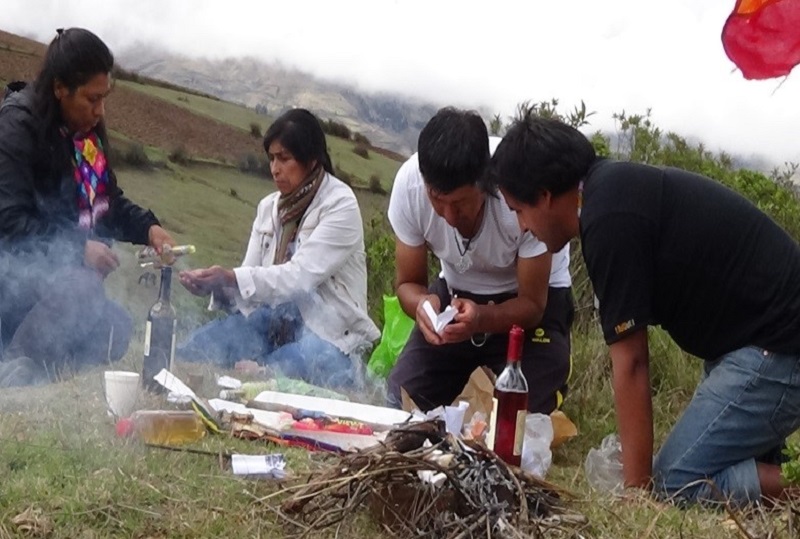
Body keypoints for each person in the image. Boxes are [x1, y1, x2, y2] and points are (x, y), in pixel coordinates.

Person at [488, 112, 800, 506]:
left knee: (676, 483)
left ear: (546, 196)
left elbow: (632, 361)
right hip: (756, 343)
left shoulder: (607, 220)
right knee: (701, 466)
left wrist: (637, 494)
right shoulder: (609, 192)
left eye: (519, 210)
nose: (522, 227)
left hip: (778, 349)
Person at [0, 28, 175, 387]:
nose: (100, 111)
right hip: (14, 280)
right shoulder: (16, 128)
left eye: (104, 98)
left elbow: (106, 204)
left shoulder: (84, 138)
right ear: (60, 88)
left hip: (58, 285)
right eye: (92, 99)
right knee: (82, 291)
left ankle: (44, 365)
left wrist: (147, 228)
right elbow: (9, 221)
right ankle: (15, 370)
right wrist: (78, 250)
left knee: (116, 327)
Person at [386, 107, 574, 414]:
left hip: (530, 305)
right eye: (436, 199)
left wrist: (480, 320)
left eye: (459, 203)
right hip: (456, 297)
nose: (448, 217)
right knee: (400, 402)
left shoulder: (519, 189)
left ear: (486, 183)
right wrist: (423, 305)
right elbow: (408, 283)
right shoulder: (409, 186)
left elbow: (532, 305)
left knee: (515, 418)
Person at [177, 108, 380, 388]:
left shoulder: (340, 204)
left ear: (311, 159)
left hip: (328, 334)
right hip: (270, 320)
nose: (275, 168)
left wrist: (232, 277)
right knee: (194, 351)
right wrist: (217, 286)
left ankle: (269, 369)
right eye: (271, 158)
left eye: (284, 158)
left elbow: (300, 277)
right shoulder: (269, 207)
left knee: (275, 372)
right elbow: (250, 281)